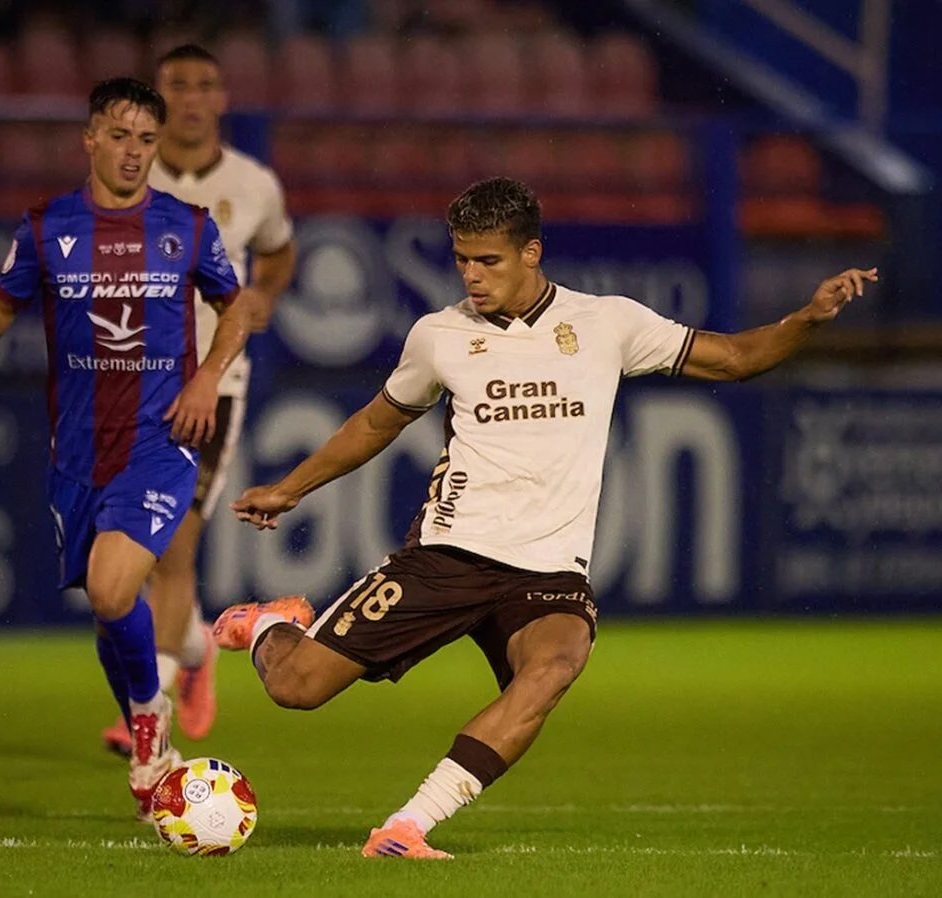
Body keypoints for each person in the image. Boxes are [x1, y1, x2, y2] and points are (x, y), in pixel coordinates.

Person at [217, 176, 876, 858]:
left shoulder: (607, 323)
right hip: (450, 554)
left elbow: (736, 358)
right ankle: (273, 624)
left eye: (489, 261)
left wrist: (807, 318)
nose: (472, 276)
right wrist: (292, 487)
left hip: (550, 570)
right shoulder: (440, 336)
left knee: (555, 664)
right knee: (297, 689)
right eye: (462, 260)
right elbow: (376, 422)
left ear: (531, 252)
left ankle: (408, 825)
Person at [0, 77, 257, 816]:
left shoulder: (187, 225)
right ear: (89, 139)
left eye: (147, 140)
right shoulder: (49, 227)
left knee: (117, 588)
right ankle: (151, 723)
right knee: (107, 610)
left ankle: (149, 720)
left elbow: (236, 307)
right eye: (120, 137)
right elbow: (3, 300)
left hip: (161, 441)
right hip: (77, 451)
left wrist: (209, 378)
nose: (134, 153)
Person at [99, 43, 301, 757]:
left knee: (174, 544)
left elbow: (277, 250)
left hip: (213, 385)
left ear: (221, 99)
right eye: (176, 85)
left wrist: (265, 296)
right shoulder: (127, 177)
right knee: (130, 556)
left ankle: (141, 714)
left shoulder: (252, 184)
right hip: (127, 384)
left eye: (204, 86)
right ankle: (195, 649)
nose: (190, 98)